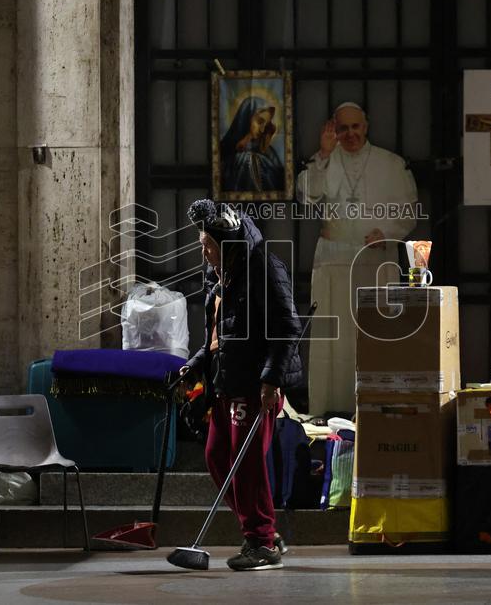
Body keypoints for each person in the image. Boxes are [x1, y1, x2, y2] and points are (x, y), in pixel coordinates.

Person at [179, 199, 303, 571]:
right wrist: (198, 364)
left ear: (227, 245)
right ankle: (263, 533)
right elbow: (220, 335)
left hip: (254, 383)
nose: (203, 254)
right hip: (224, 380)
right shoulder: (218, 274)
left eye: (208, 247)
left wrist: (271, 379)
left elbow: (286, 328)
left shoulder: (263, 267)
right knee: (217, 457)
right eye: (201, 246)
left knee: (245, 462)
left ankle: (260, 542)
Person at [296, 102, 419, 416]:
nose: (350, 134)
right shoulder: (324, 160)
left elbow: (408, 211)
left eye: (355, 127)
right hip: (334, 259)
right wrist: (322, 156)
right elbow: (306, 196)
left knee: (373, 333)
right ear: (333, 131)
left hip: (375, 260)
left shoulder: (390, 163)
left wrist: (387, 231)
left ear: (366, 127)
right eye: (342, 128)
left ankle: (376, 403)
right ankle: (330, 407)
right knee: (332, 335)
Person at [220, 96, 285, 193]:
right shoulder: (227, 149)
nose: (262, 129)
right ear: (246, 117)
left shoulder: (269, 151)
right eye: (259, 122)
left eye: (266, 125)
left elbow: (280, 180)